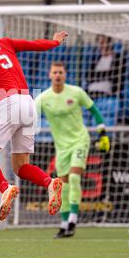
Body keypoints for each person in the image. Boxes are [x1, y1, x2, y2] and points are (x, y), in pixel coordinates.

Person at [0, 25, 69, 221]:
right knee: (20, 167)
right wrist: (55, 41)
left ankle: (5, 188)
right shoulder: (4, 42)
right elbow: (36, 45)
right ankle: (49, 182)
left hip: (7, 103)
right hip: (28, 103)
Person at [35, 61, 110, 238]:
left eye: (60, 72)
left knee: (75, 178)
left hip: (80, 141)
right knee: (63, 187)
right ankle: (64, 224)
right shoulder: (43, 99)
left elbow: (94, 110)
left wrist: (102, 133)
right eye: (55, 72)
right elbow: (30, 117)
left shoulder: (76, 92)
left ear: (65, 75)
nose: (58, 75)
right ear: (49, 75)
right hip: (61, 147)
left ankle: (73, 221)